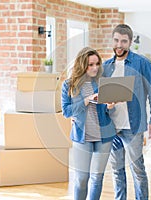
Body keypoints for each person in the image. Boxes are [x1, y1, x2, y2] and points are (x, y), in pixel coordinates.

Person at [102, 24, 151, 200]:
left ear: (130, 42)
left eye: (124, 41)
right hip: (112, 127)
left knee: (138, 170)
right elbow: (102, 99)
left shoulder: (141, 63)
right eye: (116, 40)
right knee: (117, 171)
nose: (119, 45)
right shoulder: (106, 66)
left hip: (133, 126)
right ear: (112, 40)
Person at [61, 47, 116, 200]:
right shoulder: (69, 85)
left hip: (104, 136)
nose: (95, 68)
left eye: (97, 64)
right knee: (81, 179)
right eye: (90, 65)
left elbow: (106, 111)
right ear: (82, 64)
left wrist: (109, 107)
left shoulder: (101, 82)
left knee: (97, 179)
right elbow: (66, 112)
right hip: (81, 137)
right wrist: (86, 100)